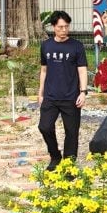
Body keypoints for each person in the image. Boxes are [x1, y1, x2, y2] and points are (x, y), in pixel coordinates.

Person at [38, 11, 88, 171]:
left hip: (71, 97)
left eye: (66, 26)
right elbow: (44, 70)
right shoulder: (46, 46)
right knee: (44, 127)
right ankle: (55, 156)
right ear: (53, 27)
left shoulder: (77, 46)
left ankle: (69, 166)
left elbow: (82, 70)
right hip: (51, 96)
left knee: (71, 132)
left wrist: (83, 92)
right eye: (60, 27)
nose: (64, 30)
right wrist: (40, 93)